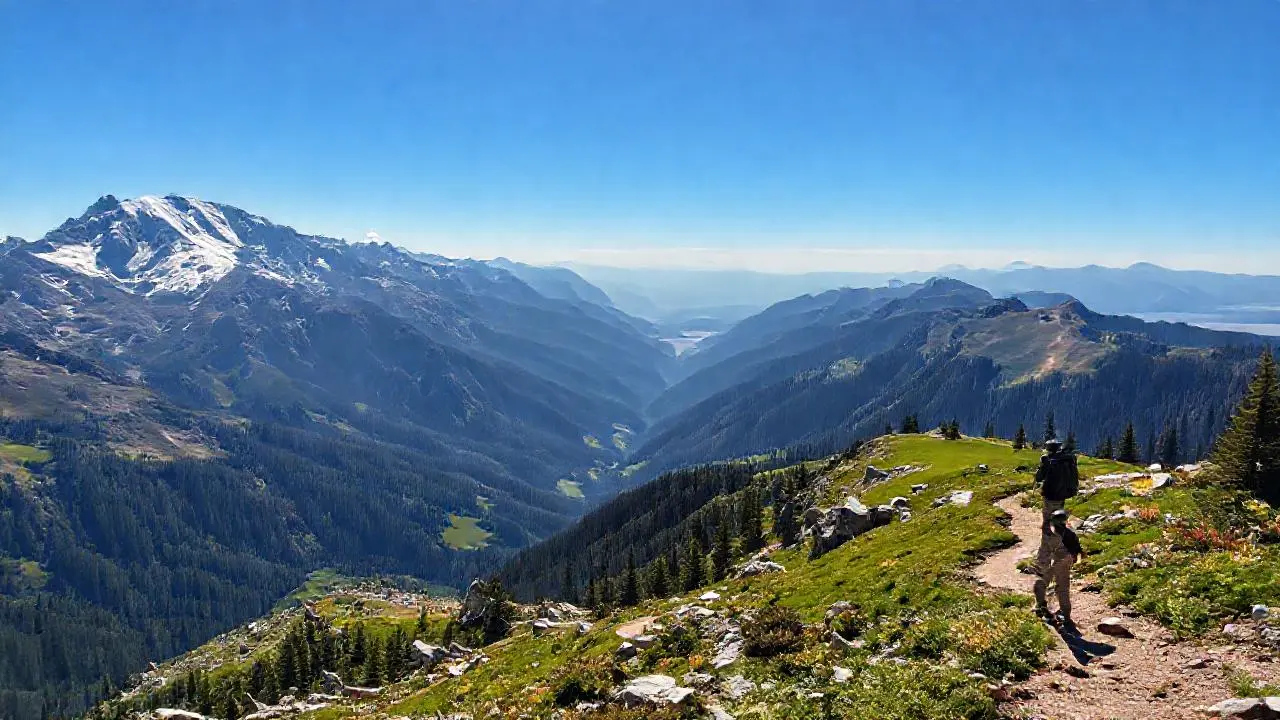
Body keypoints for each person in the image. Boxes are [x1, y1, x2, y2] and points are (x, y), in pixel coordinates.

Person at [1034, 509, 1084, 625]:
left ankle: (1042, 607)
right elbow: (1078, 550)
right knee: (1062, 588)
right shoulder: (1069, 533)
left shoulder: (1054, 534)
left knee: (1045, 584)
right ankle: (1064, 613)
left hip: (1058, 561)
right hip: (1065, 561)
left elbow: (1047, 551)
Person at [1035, 438, 1078, 530]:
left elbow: (1039, 477)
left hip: (1050, 492)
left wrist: (1040, 466)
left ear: (1048, 449)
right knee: (1059, 508)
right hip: (1064, 491)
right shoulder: (1067, 459)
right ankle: (1058, 527)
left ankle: (1047, 528)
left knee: (1047, 510)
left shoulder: (1047, 460)